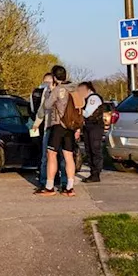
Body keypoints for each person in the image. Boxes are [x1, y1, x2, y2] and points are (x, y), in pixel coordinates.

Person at [34, 65, 79, 196]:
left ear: (54, 77)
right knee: (68, 156)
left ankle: (49, 186)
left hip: (58, 125)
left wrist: (52, 91)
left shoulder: (57, 89)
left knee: (51, 154)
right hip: (70, 126)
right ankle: (69, 188)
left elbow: (47, 105)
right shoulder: (74, 89)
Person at [75, 81, 105, 183]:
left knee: (95, 150)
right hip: (88, 127)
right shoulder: (86, 99)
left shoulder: (93, 98)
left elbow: (87, 113)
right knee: (89, 150)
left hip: (95, 127)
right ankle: (93, 172)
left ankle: (96, 174)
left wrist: (77, 109)